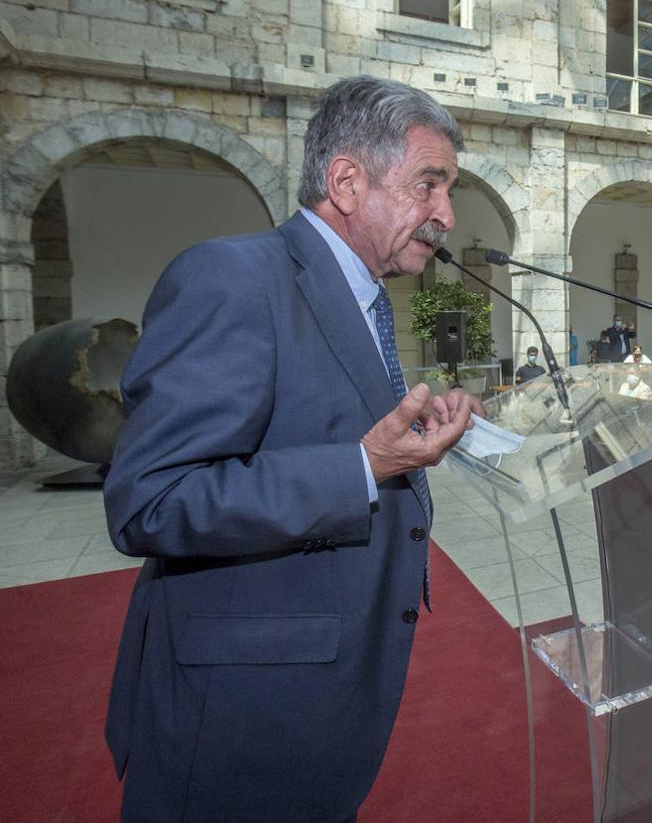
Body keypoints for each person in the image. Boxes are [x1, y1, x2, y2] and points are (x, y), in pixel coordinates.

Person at [101, 76, 481, 821]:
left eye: (449, 189)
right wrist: (362, 467)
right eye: (428, 185)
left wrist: (414, 430)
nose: (446, 214)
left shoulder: (359, 294)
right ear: (346, 181)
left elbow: (317, 420)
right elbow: (151, 500)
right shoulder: (233, 277)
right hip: (241, 716)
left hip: (322, 697)